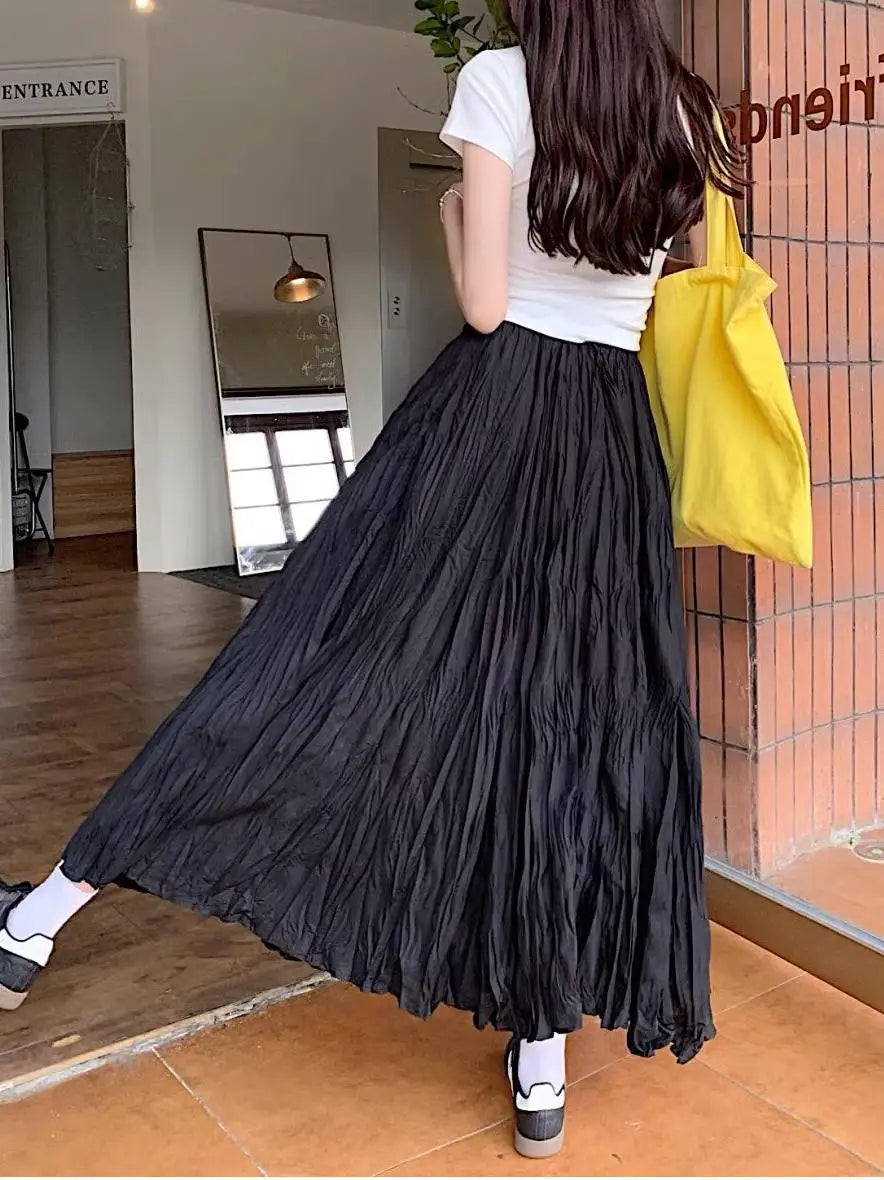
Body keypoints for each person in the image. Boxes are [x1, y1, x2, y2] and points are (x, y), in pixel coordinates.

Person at [0, 0, 743, 1160]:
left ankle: (39, 917)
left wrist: (450, 213)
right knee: (570, 719)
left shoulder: (502, 80)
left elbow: (487, 308)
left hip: (493, 423)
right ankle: (540, 1058)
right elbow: (641, 298)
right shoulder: (677, 106)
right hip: (607, 438)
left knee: (312, 660)